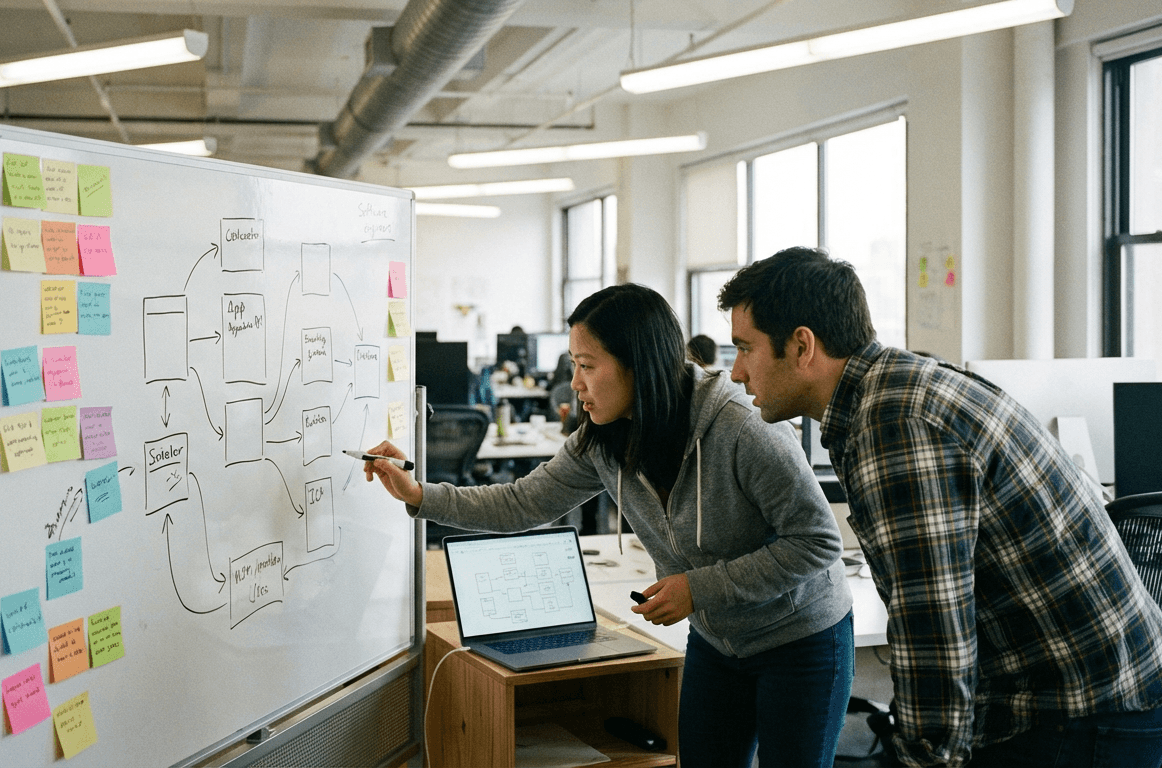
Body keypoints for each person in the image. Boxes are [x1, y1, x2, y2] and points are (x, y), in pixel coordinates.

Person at [717, 246, 1162, 768]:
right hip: (1083, 691)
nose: (737, 372)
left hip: (1085, 706)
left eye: (745, 348)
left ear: (802, 346)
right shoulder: (894, 389)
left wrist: (922, 759)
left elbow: (933, 624)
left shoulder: (895, 424)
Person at [365, 283, 855, 767]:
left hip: (801, 638)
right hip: (718, 640)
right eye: (573, 365)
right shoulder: (603, 438)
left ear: (637, 366)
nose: (574, 383)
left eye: (586, 366)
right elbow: (522, 502)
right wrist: (419, 494)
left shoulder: (742, 428)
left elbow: (816, 542)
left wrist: (697, 589)